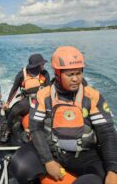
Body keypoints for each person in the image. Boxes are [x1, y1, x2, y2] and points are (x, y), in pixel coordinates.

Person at [9, 46, 117, 184]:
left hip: (85, 156)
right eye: (70, 74)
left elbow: (107, 133)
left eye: (78, 73)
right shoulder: (44, 95)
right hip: (52, 151)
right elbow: (35, 128)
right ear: (58, 74)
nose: (75, 79)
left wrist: (113, 170)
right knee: (20, 165)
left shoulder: (92, 96)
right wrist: (48, 160)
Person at [2, 54, 50, 141]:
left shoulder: (45, 74)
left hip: (41, 102)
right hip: (27, 101)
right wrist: (8, 102)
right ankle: (7, 131)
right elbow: (14, 89)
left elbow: (49, 90)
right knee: (13, 111)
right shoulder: (22, 74)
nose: (44, 65)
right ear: (37, 66)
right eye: (42, 64)